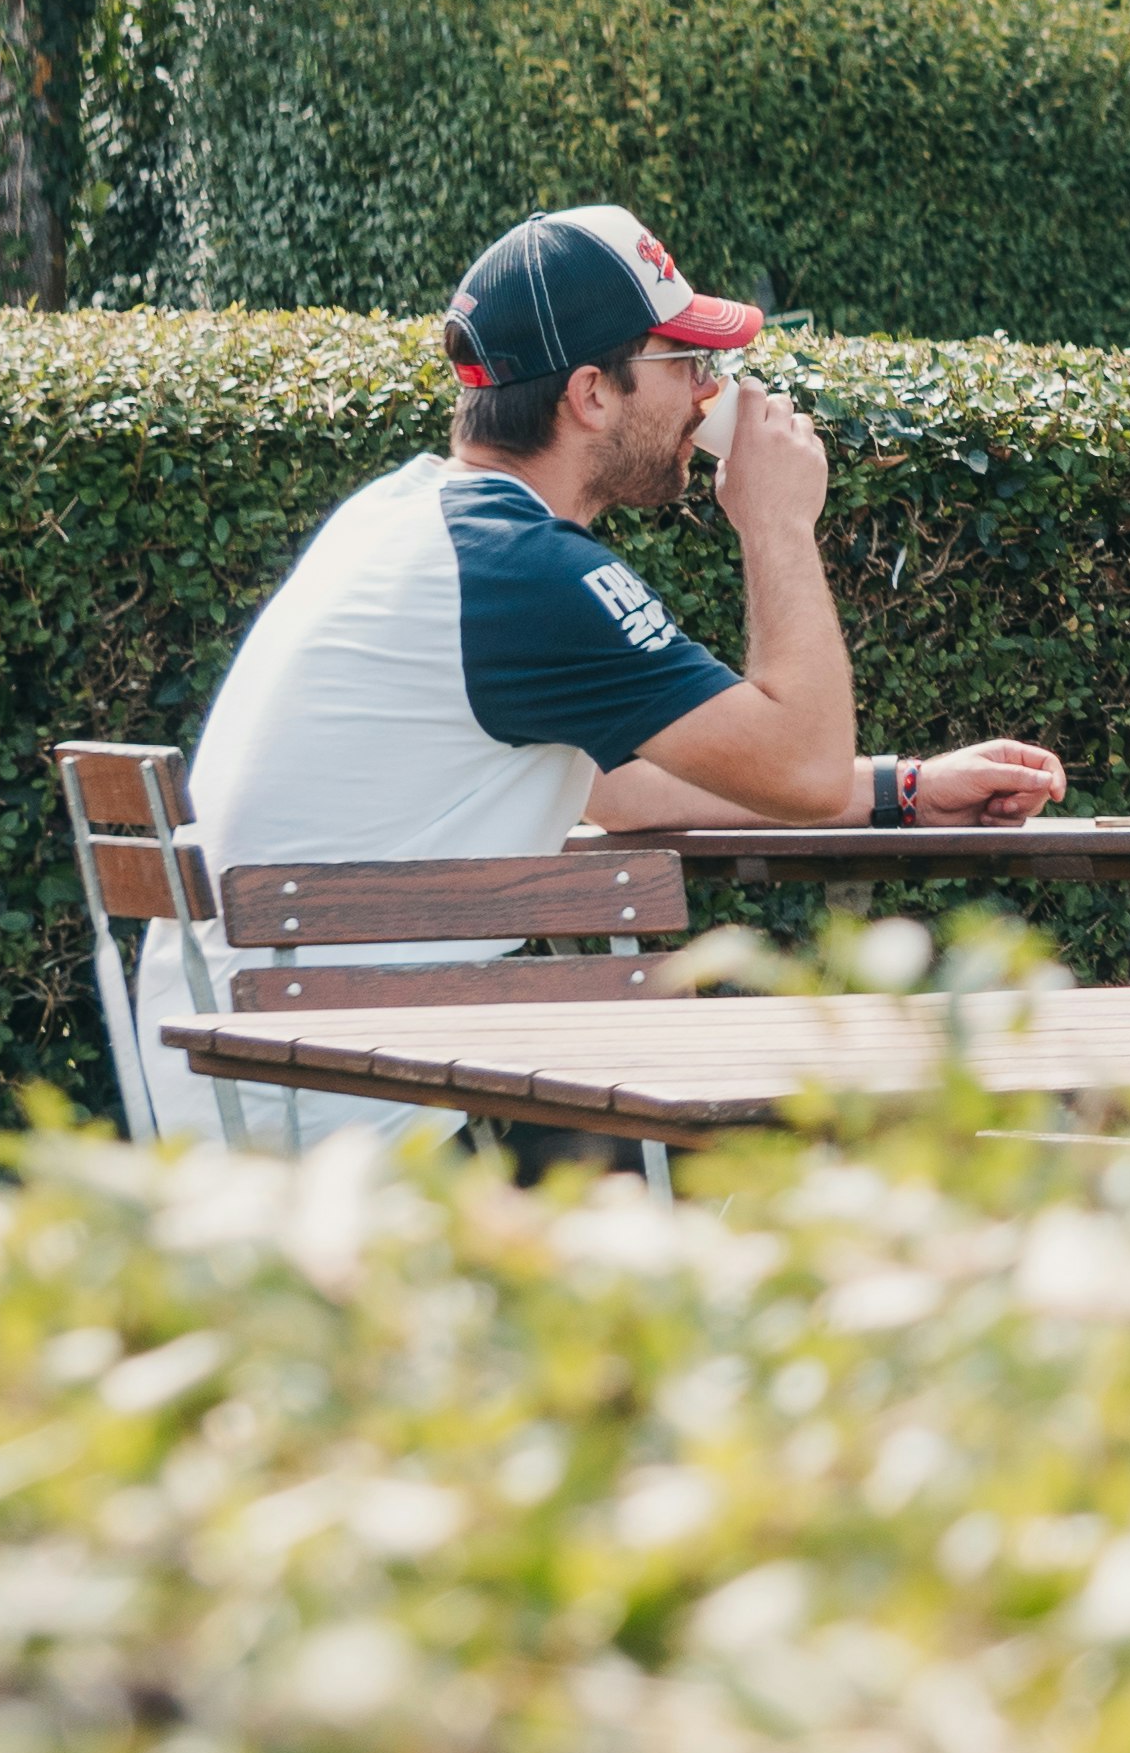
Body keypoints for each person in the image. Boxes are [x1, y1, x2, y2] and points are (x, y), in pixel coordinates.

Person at [133, 203, 1067, 1145]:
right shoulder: (523, 571)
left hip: (243, 1071)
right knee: (825, 1142)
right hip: (321, 1110)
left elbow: (623, 790)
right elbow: (805, 770)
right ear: (591, 394)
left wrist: (906, 789)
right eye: (687, 362)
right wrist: (778, 523)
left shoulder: (408, 516)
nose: (709, 391)